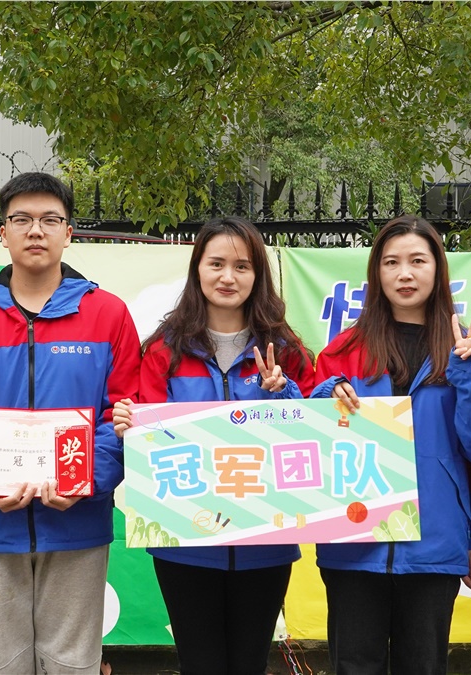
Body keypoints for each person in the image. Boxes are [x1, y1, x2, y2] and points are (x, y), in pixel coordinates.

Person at [0, 172, 141, 675]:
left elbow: (125, 415)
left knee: (72, 665)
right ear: (3, 233)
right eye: (21, 219)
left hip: (77, 524)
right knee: (0, 666)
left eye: (50, 219)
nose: (36, 230)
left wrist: (82, 480)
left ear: (69, 232)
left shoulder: (108, 314)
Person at [111, 216, 315, 675]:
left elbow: (315, 432)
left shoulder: (285, 349)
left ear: (258, 275)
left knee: (249, 663)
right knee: (200, 663)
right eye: (216, 263)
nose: (228, 277)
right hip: (184, 543)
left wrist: (283, 393)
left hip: (266, 541)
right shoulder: (163, 351)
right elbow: (145, 440)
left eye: (242, 266)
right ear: (197, 269)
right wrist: (129, 428)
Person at [310, 214, 471, 675]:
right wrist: (324, 396)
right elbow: (311, 444)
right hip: (354, 544)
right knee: (354, 666)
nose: (405, 273)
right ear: (376, 272)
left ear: (438, 269)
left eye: (418, 261)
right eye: (391, 262)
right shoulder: (342, 352)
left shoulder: (466, 350)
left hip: (434, 546)